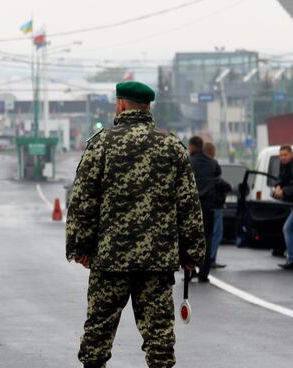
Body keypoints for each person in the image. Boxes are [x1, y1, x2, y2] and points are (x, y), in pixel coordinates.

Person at [66, 81, 206, 368]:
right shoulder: (172, 148)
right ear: (148, 107)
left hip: (109, 261)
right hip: (157, 262)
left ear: (120, 104)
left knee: (97, 337)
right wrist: (192, 254)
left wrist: (80, 247)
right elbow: (189, 205)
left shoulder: (101, 144)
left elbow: (83, 201)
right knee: (159, 340)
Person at [188, 136, 220, 283]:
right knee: (207, 238)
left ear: (191, 147)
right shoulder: (212, 163)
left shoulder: (188, 162)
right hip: (208, 206)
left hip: (191, 206)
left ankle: (190, 269)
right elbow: (218, 180)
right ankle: (203, 274)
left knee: (188, 238)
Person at [204, 142, 232, 269]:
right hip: (216, 203)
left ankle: (205, 258)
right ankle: (211, 258)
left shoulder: (199, 163)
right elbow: (217, 180)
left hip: (205, 203)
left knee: (208, 233)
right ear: (212, 151)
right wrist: (228, 186)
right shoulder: (212, 163)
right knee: (216, 233)